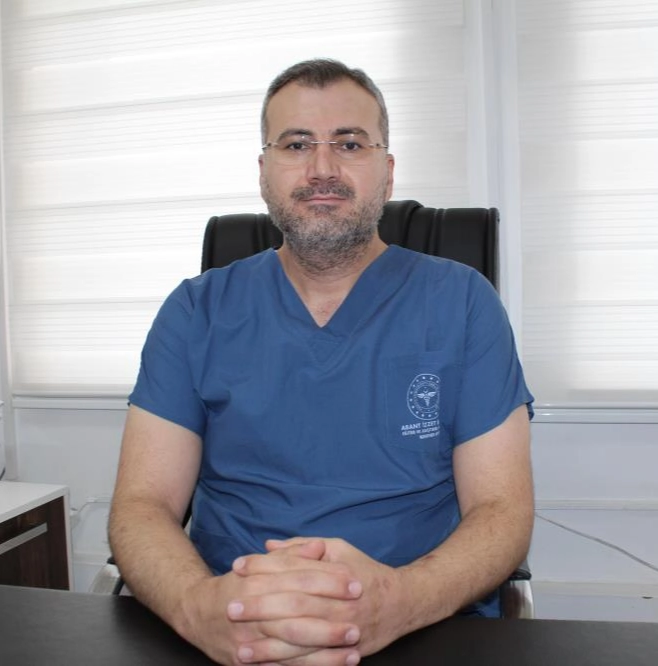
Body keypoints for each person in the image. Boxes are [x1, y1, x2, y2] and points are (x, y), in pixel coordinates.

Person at [108, 58, 534, 666]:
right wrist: (198, 607)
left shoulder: (462, 303)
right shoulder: (196, 311)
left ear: (388, 172)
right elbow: (142, 505)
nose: (323, 168)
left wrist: (396, 602)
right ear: (264, 172)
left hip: (422, 624)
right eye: (296, 144)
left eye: (350, 144)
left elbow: (502, 512)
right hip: (231, 624)